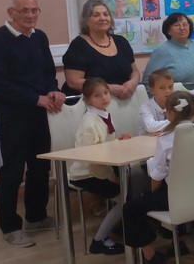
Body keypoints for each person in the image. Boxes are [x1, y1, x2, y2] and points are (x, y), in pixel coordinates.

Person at [0, 0, 65, 247]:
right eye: (24, 11)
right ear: (11, 13)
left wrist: (53, 89)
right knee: (13, 170)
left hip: (41, 112)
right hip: (13, 116)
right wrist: (34, 98)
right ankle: (10, 227)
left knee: (40, 167)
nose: (30, 15)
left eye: (34, 10)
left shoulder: (39, 37)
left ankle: (36, 217)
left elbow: (48, 73)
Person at [123, 91, 194, 264]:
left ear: (171, 113)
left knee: (131, 207)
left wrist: (152, 193)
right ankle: (178, 243)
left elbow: (157, 176)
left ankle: (150, 255)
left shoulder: (167, 138)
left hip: (177, 198)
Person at [69, 78, 130, 255]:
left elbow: (105, 145)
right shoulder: (89, 122)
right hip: (86, 174)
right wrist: (112, 177)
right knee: (124, 199)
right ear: (87, 100)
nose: (104, 97)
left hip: (99, 170)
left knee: (132, 187)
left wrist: (119, 141)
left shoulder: (102, 115)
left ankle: (120, 225)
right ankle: (99, 240)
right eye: (97, 95)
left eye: (106, 93)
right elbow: (92, 157)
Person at [62, 0, 140, 99]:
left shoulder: (121, 41)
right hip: (89, 103)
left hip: (122, 102)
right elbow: (73, 82)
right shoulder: (78, 45)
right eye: (96, 15)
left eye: (106, 14)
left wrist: (133, 83)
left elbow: (135, 71)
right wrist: (107, 89)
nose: (103, 18)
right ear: (86, 21)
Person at [143, 12, 194, 88]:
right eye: (176, 25)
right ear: (168, 31)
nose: (182, 28)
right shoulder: (161, 51)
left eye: (185, 24)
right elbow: (148, 81)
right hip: (175, 94)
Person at [139, 69, 174, 136]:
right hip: (147, 141)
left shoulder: (176, 104)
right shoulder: (146, 107)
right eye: (162, 88)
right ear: (152, 90)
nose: (168, 91)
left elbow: (186, 122)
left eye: (170, 87)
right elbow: (150, 127)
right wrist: (174, 122)